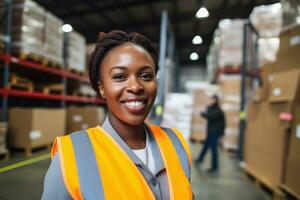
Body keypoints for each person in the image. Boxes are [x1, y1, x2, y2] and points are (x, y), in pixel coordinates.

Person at [42, 30, 193, 200]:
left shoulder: (176, 143)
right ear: (101, 88)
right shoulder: (71, 157)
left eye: (146, 75)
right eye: (120, 76)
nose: (135, 87)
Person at [194, 94, 225, 174]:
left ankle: (215, 168)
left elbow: (211, 116)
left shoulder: (218, 110)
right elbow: (209, 112)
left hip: (215, 132)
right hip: (211, 131)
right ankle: (200, 159)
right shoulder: (211, 108)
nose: (211, 100)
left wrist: (202, 114)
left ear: (216, 100)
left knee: (214, 149)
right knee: (206, 146)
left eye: (213, 99)